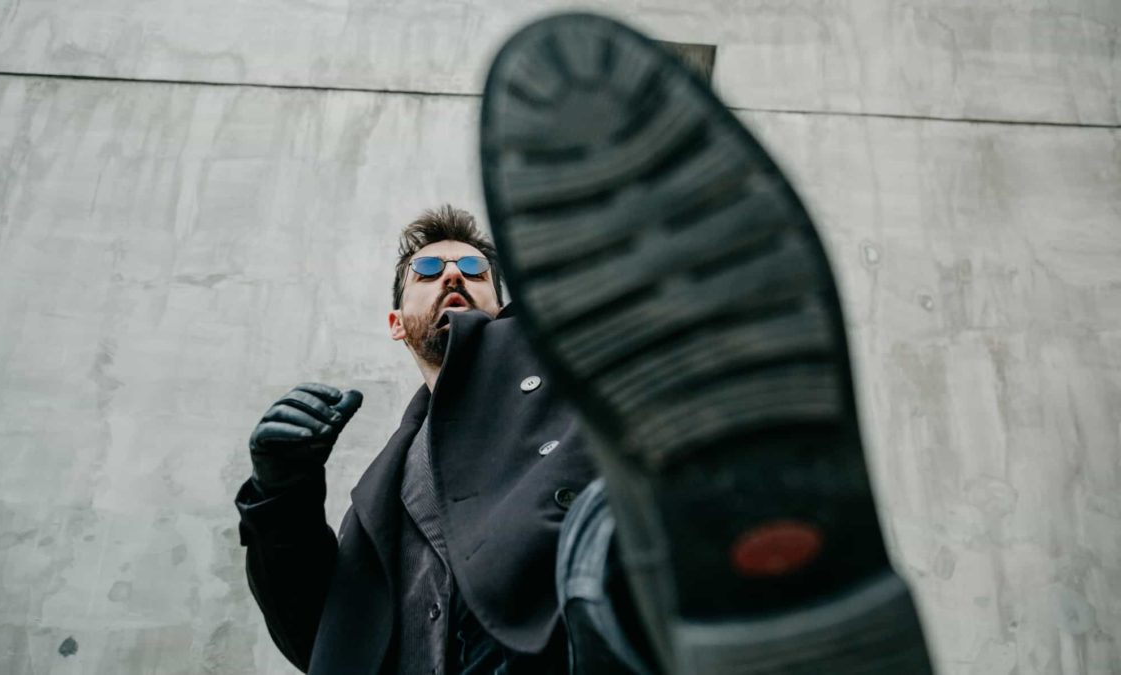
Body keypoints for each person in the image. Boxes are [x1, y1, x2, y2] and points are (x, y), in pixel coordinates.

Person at [236, 12, 933, 675]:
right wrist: (280, 495)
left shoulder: (564, 367)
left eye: (473, 267)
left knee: (613, 528)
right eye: (428, 270)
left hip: (574, 642)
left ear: (500, 302)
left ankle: (742, 596)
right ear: (395, 322)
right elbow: (325, 638)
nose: (453, 274)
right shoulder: (382, 493)